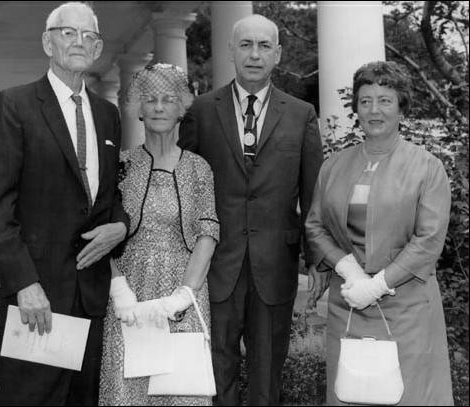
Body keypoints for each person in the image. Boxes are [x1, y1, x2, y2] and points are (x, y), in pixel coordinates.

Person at [0, 2, 129, 405]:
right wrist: (24, 283)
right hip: (36, 300)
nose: (79, 42)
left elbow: (108, 198)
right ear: (48, 42)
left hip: (89, 298)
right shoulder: (14, 105)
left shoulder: (108, 115)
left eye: (89, 36)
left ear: (97, 50)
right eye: (68, 33)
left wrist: (121, 226)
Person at [178, 14, 324, 406]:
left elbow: (313, 195)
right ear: (230, 51)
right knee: (215, 368)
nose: (254, 55)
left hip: (275, 263)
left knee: (267, 374)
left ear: (277, 54)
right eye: (245, 45)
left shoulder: (301, 114)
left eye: (263, 46)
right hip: (216, 264)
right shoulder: (201, 111)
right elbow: (185, 189)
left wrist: (317, 260)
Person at [306, 60, 454, 405]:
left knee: (410, 395)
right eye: (366, 100)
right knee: (350, 394)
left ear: (402, 107)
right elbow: (315, 225)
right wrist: (351, 273)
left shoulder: (427, 167)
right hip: (349, 304)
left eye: (385, 100)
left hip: (406, 306)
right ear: (356, 107)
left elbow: (429, 239)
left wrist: (377, 285)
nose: (375, 110)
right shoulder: (333, 165)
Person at [98, 63, 220, 406]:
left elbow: (207, 232)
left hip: (182, 291)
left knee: (181, 392)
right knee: (127, 393)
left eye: (168, 99)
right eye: (150, 99)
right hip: (129, 297)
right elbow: (103, 231)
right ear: (138, 108)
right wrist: (119, 290)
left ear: (182, 107)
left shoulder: (198, 167)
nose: (159, 107)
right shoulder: (120, 165)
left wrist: (184, 295)